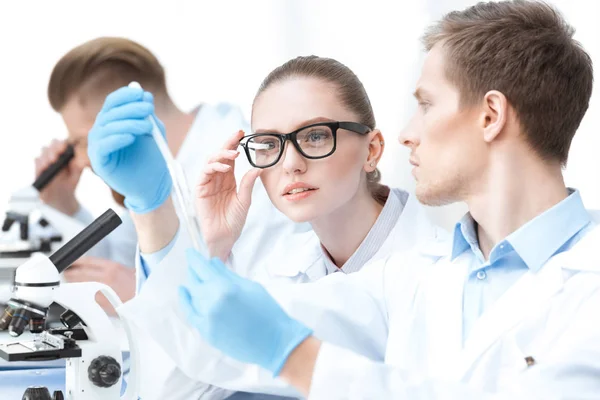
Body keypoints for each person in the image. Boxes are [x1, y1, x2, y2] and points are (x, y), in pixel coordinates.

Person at [121, 1, 600, 398]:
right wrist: (154, 209)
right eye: (271, 143)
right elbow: (206, 349)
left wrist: (297, 356)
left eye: (426, 105)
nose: (408, 134)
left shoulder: (587, 284)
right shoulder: (414, 279)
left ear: (491, 115)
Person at [88, 56, 445, 399]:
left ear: (372, 150)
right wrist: (211, 244)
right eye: (269, 144)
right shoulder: (279, 264)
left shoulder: (434, 269)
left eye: (316, 136)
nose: (291, 164)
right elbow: (174, 388)